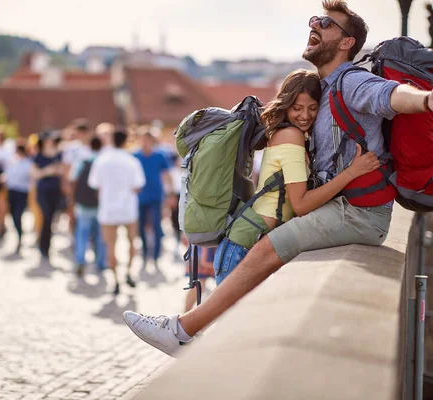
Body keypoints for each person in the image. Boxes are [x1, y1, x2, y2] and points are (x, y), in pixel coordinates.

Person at [123, 0, 433, 357]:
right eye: (314, 20)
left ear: (347, 43)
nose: (314, 26)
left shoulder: (352, 82)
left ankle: (181, 330)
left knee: (268, 249)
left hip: (359, 213)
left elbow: (390, 96)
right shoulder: (323, 87)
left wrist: (426, 100)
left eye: (326, 24)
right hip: (350, 206)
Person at [88, 130, 146, 295]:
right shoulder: (132, 161)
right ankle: (128, 272)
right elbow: (138, 185)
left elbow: (94, 184)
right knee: (131, 242)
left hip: (108, 209)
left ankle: (114, 279)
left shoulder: (102, 160)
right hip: (128, 208)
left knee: (110, 245)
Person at [133, 130, 173, 268]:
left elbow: (166, 175)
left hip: (156, 196)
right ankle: (144, 253)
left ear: (151, 141)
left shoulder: (159, 156)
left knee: (156, 225)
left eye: (147, 140)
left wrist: (170, 194)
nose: (144, 143)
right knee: (141, 226)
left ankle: (156, 256)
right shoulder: (134, 156)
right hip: (139, 197)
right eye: (142, 139)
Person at [70, 136, 106, 276]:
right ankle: (100, 262)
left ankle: (80, 260)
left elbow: (73, 180)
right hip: (100, 205)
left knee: (82, 234)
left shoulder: (82, 162)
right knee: (99, 235)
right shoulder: (103, 161)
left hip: (83, 204)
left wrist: (73, 200)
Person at [32, 131, 64, 260]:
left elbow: (63, 170)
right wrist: (48, 171)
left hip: (56, 191)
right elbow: (35, 174)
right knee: (46, 217)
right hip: (43, 191)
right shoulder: (38, 156)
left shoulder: (59, 155)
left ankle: (46, 245)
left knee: (51, 219)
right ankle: (43, 246)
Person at [3, 144, 34, 254]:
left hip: (22, 192)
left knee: (18, 214)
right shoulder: (12, 161)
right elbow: (7, 175)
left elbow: (31, 178)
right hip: (12, 191)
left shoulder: (28, 163)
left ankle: (20, 236)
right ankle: (18, 233)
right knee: (12, 215)